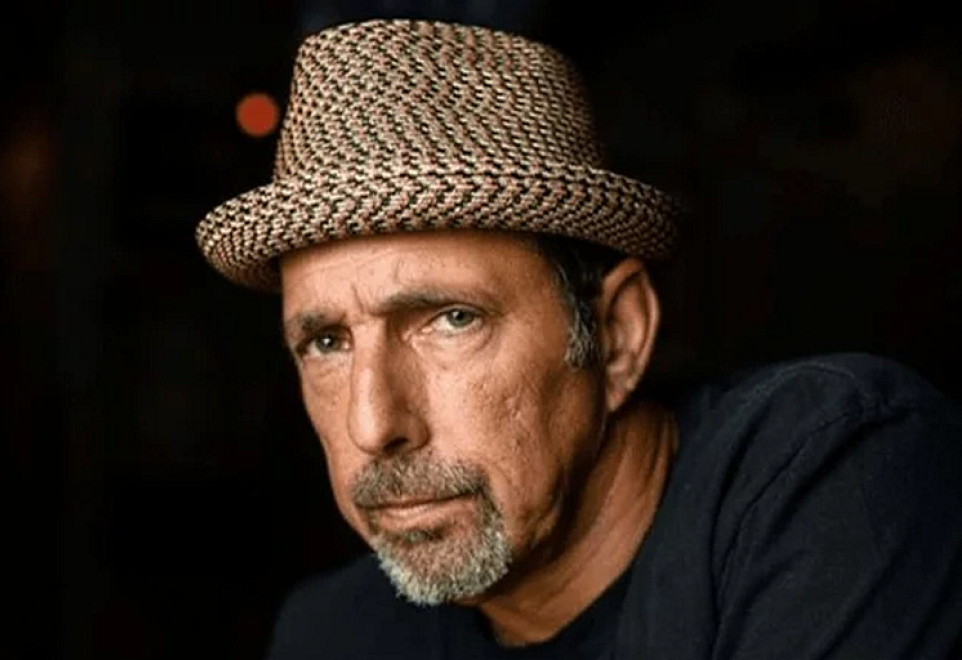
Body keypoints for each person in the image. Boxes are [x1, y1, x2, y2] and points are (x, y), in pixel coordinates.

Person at [195, 18, 962, 659]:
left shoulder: (831, 472)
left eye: (452, 319)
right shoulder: (333, 635)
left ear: (617, 335)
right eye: (327, 342)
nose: (374, 424)